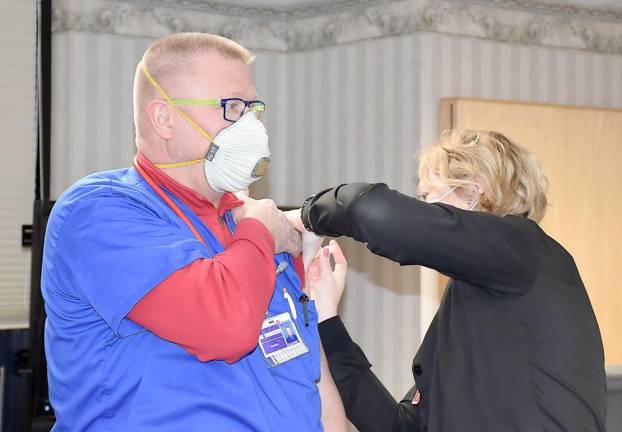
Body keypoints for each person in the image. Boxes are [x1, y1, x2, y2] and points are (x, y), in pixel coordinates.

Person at [42, 32, 346, 431]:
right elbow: (226, 328)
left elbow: (304, 368)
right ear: (164, 118)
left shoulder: (248, 222)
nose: (250, 125)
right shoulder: (99, 211)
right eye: (232, 107)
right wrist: (260, 230)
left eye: (254, 108)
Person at [290, 130, 607, 431]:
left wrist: (307, 216)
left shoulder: (526, 249)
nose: (422, 210)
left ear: (474, 191)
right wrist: (326, 318)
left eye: (427, 196)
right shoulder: (470, 301)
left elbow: (375, 213)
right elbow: (399, 427)